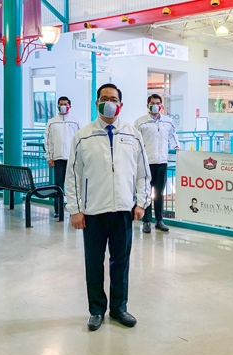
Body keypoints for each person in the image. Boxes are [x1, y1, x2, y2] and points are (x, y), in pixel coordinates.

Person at [66, 83, 151, 331]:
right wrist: (75, 209)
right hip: (92, 212)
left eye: (113, 98)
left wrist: (141, 202)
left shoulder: (133, 134)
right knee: (94, 263)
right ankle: (96, 310)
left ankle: (118, 309)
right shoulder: (83, 136)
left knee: (120, 262)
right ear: (97, 103)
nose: (109, 102)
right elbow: (72, 176)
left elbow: (143, 174)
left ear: (121, 104)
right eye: (104, 98)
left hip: (123, 211)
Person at [134, 94, 180, 233]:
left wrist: (177, 146)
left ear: (162, 105)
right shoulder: (140, 122)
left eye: (158, 103)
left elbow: (173, 135)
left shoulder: (168, 121)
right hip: (146, 163)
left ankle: (159, 220)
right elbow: (135, 141)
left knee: (159, 193)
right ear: (147, 105)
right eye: (152, 103)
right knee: (146, 192)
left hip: (162, 162)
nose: (155, 105)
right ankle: (146, 221)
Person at [44, 96, 80, 218]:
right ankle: (57, 209)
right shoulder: (52, 122)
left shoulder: (75, 121)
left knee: (72, 185)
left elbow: (79, 140)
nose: (63, 106)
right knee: (58, 186)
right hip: (58, 158)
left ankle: (73, 210)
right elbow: (48, 141)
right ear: (57, 105)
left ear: (70, 105)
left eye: (65, 104)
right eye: (61, 104)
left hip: (72, 159)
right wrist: (49, 157)